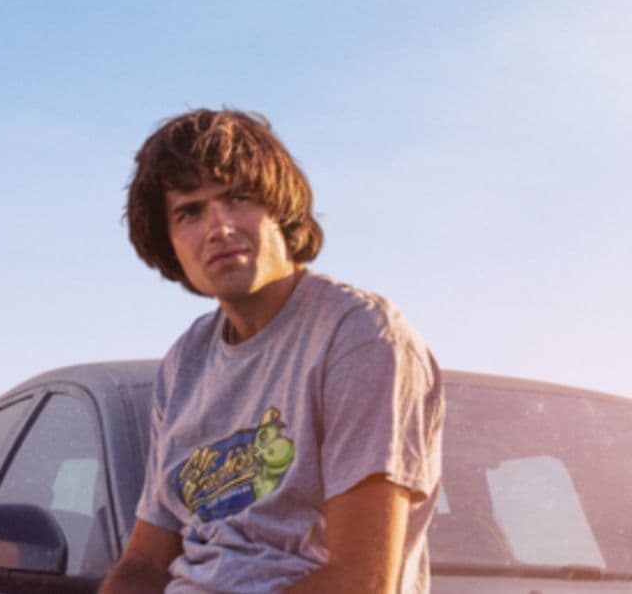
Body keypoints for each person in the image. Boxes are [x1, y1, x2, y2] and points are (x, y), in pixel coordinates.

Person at [100, 109, 445, 594]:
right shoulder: (185, 362)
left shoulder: (360, 336)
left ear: (279, 208)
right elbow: (144, 562)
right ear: (169, 242)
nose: (219, 228)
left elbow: (362, 581)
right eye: (190, 212)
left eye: (237, 198)